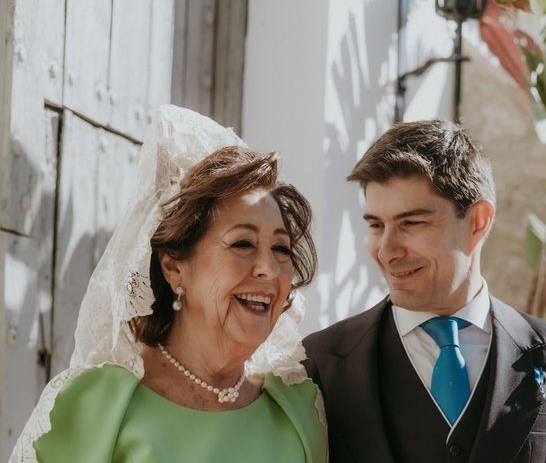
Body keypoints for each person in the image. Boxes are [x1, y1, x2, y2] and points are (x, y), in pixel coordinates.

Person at [11, 105, 327, 463]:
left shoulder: (299, 411)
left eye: (281, 248)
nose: (269, 270)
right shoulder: (94, 405)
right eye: (242, 244)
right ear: (174, 267)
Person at [303, 120, 546, 462]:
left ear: (478, 221)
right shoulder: (320, 361)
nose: (387, 250)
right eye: (376, 225)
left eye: (411, 223)